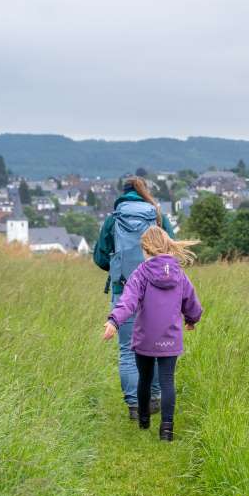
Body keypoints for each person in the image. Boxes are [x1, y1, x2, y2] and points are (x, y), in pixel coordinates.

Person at [103, 226, 203, 442]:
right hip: (171, 338)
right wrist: (192, 319)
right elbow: (192, 302)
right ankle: (167, 429)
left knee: (145, 379)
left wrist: (114, 321)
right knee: (167, 381)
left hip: (145, 337)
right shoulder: (179, 274)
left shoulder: (141, 273)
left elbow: (128, 301)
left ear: (146, 250)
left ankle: (144, 420)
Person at [93, 176, 176, 420]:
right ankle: (154, 399)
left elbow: (99, 258)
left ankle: (133, 405)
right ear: (144, 192)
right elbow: (170, 253)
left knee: (128, 351)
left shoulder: (113, 219)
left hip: (123, 288)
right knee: (158, 346)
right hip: (157, 291)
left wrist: (119, 267)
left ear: (123, 194)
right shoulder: (158, 217)